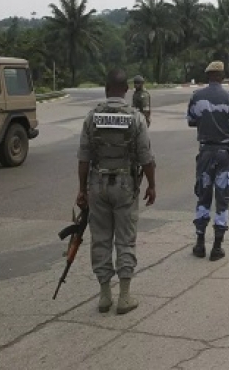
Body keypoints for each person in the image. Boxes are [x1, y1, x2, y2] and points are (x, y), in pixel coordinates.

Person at [76, 68, 156, 315]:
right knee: (125, 239)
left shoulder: (92, 117)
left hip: (97, 184)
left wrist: (82, 189)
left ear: (106, 88)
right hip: (125, 184)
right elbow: (146, 157)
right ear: (126, 90)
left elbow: (84, 158)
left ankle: (104, 296)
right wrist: (152, 185)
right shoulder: (135, 118)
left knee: (100, 239)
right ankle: (124, 296)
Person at [186, 61, 229, 261]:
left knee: (203, 197)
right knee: (222, 199)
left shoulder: (196, 97)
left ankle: (200, 244)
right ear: (222, 76)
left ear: (208, 75)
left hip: (205, 153)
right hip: (225, 154)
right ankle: (217, 247)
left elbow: (191, 120)